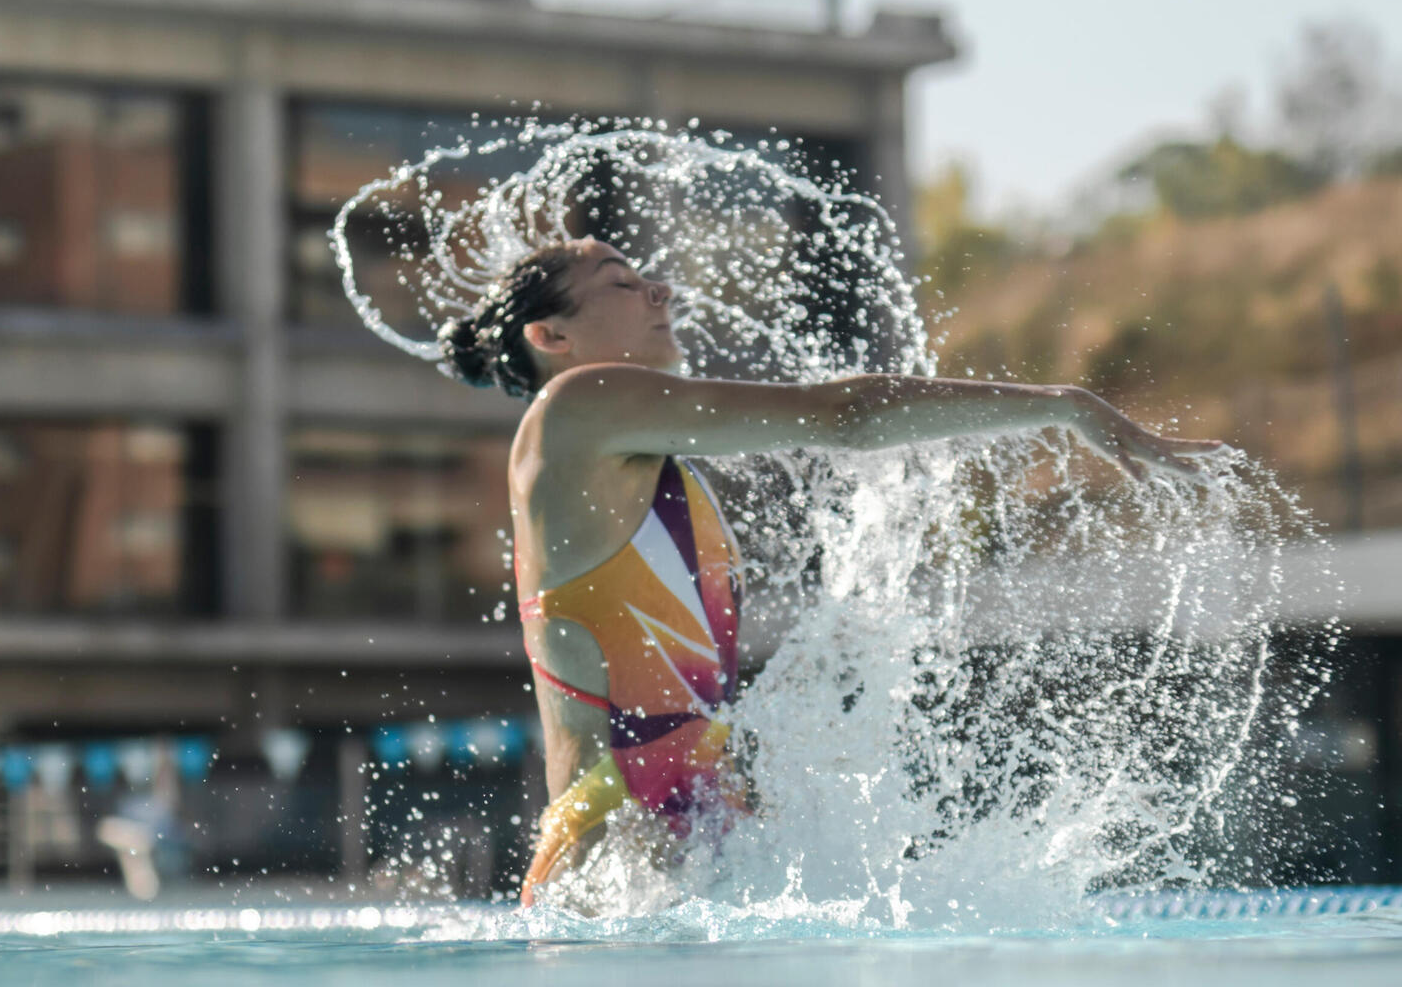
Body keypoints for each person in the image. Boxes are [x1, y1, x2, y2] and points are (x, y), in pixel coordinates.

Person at [435, 237, 1222, 905]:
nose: (659, 290)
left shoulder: (618, 450)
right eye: (620, 283)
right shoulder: (578, 405)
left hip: (667, 854)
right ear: (551, 336)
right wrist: (1063, 405)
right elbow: (841, 416)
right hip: (624, 859)